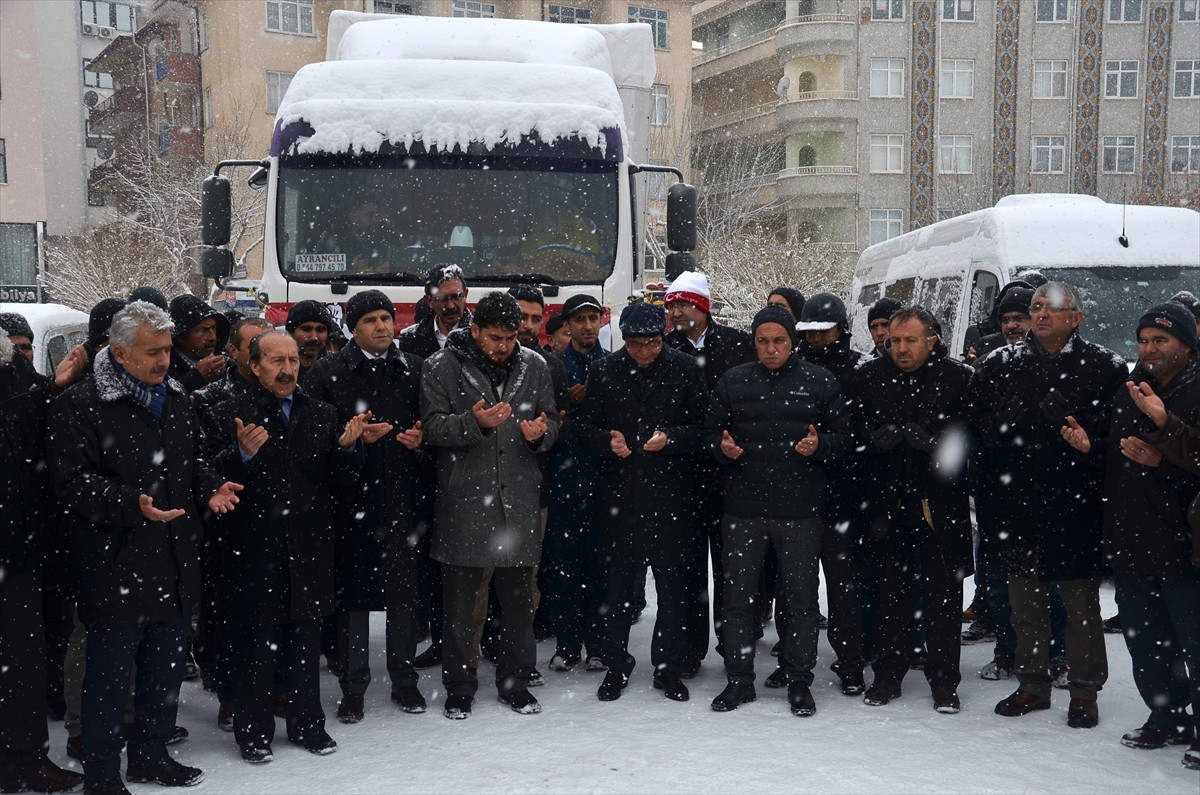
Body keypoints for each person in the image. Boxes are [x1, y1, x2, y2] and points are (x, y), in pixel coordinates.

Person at [47, 301, 243, 795]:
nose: (163, 361)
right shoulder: (81, 404)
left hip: (175, 560)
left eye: (166, 350)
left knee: (164, 674)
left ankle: (151, 756)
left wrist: (211, 487)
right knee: (109, 681)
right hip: (115, 565)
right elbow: (70, 482)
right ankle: (102, 774)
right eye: (152, 352)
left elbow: (192, 461)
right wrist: (128, 502)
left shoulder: (174, 397)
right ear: (118, 353)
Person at [203, 331, 379, 764]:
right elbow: (206, 476)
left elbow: (341, 484)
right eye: (276, 361)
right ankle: (253, 732)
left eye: (293, 361)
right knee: (254, 648)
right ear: (254, 365)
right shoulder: (227, 413)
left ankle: (307, 725)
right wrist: (240, 455)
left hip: (308, 548)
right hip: (251, 550)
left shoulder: (320, 413)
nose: (287, 370)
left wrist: (348, 448)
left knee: (305, 645)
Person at [970, 282, 1128, 729]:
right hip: (1017, 503)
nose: (1040, 314)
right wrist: (1000, 425)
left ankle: (1084, 691)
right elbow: (975, 431)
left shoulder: (1105, 367)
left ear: (1076, 318)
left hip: (1076, 505)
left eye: (1052, 308)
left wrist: (1087, 435)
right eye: (1036, 306)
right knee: (1026, 606)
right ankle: (1033, 684)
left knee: (1081, 608)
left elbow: (1119, 438)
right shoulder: (999, 364)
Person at [1060, 302, 1199, 763]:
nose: (1149, 348)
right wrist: (1091, 447)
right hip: (1132, 540)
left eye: (1161, 340)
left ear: (1186, 344)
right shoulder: (1129, 389)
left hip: (1185, 543)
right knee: (1146, 642)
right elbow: (1122, 453)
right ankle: (1166, 716)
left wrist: (1165, 448)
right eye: (1143, 340)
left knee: (1194, 641)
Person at [420, 292, 559, 719]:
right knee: (461, 606)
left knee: (519, 604)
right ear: (475, 329)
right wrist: (473, 423)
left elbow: (553, 420)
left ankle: (516, 682)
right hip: (465, 500)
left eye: (511, 338)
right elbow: (431, 427)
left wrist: (541, 434)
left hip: (518, 500)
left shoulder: (535, 365)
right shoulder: (440, 366)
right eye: (496, 337)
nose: (504, 346)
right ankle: (459, 686)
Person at [706, 305, 850, 716]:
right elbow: (709, 433)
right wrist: (722, 448)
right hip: (743, 509)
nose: (771, 349)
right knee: (737, 600)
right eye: (763, 341)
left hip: (800, 511)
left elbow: (844, 437)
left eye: (779, 341)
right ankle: (739, 680)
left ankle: (799, 679)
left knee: (802, 600)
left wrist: (819, 446)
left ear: (792, 342)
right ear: (754, 343)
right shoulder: (733, 381)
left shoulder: (819, 381)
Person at [304, 290, 430, 723]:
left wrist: (420, 443)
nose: (381, 327)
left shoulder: (415, 369)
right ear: (352, 328)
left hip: (403, 500)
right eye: (371, 320)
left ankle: (404, 679)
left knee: (404, 595)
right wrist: (348, 443)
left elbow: (434, 429)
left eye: (386, 318)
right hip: (350, 503)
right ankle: (353, 686)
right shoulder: (327, 373)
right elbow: (310, 438)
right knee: (353, 599)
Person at [577, 301, 708, 703]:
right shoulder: (604, 371)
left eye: (652, 343)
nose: (645, 352)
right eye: (636, 345)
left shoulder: (685, 368)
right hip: (621, 495)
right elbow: (585, 427)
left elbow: (703, 427)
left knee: (671, 589)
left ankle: (668, 667)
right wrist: (607, 441)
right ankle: (616, 665)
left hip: (670, 495)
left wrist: (671, 439)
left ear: (663, 337)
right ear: (623, 340)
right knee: (617, 589)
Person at [850, 306, 974, 714]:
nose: (901, 348)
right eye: (895, 341)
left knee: (944, 598)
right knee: (891, 596)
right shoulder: (869, 377)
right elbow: (850, 430)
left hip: (939, 504)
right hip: (888, 503)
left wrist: (937, 445)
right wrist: (871, 442)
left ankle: (944, 680)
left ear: (931, 341)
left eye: (910, 341)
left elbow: (974, 438)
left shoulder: (958, 379)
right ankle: (888, 674)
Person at [0, 335, 84, 795]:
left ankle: (24, 761)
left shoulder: (10, 366)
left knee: (22, 663)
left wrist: (53, 388)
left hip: (20, 547)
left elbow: (31, 422)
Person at [664, 270, 755, 672]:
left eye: (683, 304)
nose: (676, 312)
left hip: (732, 473)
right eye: (671, 306)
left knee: (732, 570)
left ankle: (733, 646)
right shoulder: (665, 349)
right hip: (682, 473)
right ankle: (690, 649)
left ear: (702, 307)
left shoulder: (738, 345)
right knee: (689, 570)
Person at [793, 293, 869, 695]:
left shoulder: (860, 370)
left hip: (843, 492)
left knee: (844, 589)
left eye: (824, 331)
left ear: (841, 329)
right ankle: (792, 660)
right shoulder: (792, 368)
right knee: (795, 588)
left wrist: (828, 445)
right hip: (796, 493)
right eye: (810, 332)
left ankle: (851, 661)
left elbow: (861, 434)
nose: (816, 338)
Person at [545, 294, 609, 672]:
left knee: (600, 568)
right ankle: (567, 644)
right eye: (580, 320)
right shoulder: (552, 368)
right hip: (563, 479)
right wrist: (566, 402)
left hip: (602, 481)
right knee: (564, 568)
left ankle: (598, 643)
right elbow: (543, 419)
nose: (588, 326)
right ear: (566, 325)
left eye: (593, 318)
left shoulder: (612, 364)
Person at [191, 317, 272, 418]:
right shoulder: (207, 398)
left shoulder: (288, 391)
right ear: (234, 351)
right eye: (255, 348)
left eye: (273, 347)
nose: (268, 354)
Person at [398, 264, 472, 360]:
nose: (450, 306)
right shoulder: (410, 339)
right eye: (442, 299)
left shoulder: (480, 335)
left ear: (465, 295)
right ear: (429, 301)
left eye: (456, 297)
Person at [167, 294, 230, 393]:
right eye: (202, 331)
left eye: (214, 328)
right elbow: (163, 398)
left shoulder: (228, 365)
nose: (212, 337)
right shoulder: (164, 366)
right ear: (180, 336)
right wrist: (196, 378)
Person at [285, 300, 333, 383]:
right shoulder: (277, 369)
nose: (314, 337)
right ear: (292, 333)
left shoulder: (339, 368)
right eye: (306, 329)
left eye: (320, 330)